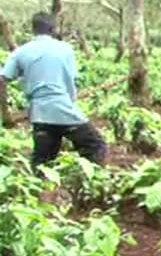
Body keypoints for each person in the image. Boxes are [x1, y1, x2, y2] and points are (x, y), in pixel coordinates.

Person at [0, 12, 106, 169]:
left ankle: (42, 191)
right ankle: (89, 182)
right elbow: (71, 81)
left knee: (43, 161)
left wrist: (5, 112)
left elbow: (3, 79)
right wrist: (71, 102)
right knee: (96, 145)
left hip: (39, 114)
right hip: (64, 109)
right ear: (53, 29)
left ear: (33, 29)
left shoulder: (20, 52)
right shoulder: (66, 50)